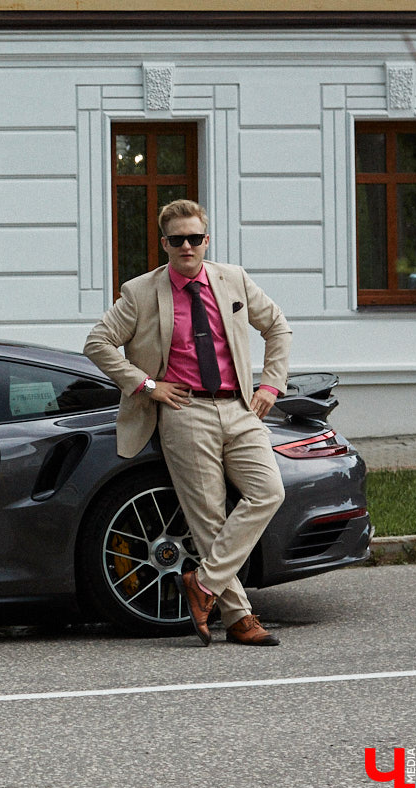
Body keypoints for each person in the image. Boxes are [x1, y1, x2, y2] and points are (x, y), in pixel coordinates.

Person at [84, 199, 292, 647]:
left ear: (206, 240)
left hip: (239, 407)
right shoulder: (140, 292)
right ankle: (239, 619)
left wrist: (271, 386)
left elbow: (278, 327)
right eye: (177, 239)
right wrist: (147, 386)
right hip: (185, 411)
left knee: (268, 491)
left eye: (194, 238)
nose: (186, 246)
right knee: (208, 519)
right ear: (164, 243)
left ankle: (204, 583)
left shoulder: (233, 279)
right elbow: (97, 343)